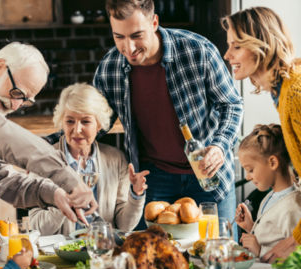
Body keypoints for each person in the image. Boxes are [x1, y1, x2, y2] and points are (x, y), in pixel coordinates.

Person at [93, 0, 243, 230]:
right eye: (119, 37)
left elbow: (231, 105)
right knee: (157, 259)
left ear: (154, 23)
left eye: (136, 35)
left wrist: (220, 146)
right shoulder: (109, 67)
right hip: (154, 179)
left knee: (218, 256)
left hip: (208, 175)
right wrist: (47, 148)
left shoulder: (197, 50)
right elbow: (94, 124)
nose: (129, 48)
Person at [222, 6, 301, 266]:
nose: (227, 55)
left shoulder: (298, 93)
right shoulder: (285, 91)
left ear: (260, 45)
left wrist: (292, 243)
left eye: (236, 46)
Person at [0, 42, 97, 225]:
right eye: (17, 93)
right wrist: (67, 176)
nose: (16, 105)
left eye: (25, 101)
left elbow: (1, 178)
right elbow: (1, 134)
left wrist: (55, 193)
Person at [29, 83, 149, 235]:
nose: (77, 129)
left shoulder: (116, 159)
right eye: (70, 121)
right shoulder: (44, 161)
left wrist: (136, 195)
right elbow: (36, 227)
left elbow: (124, 226)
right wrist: (65, 202)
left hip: (102, 247)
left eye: (85, 121)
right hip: (59, 251)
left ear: (99, 124)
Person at [235, 124, 301, 258]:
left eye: (251, 170)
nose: (247, 177)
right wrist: (251, 227)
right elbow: (273, 237)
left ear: (272, 162)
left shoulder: (293, 208)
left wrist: (260, 250)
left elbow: (298, 257)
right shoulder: (271, 196)